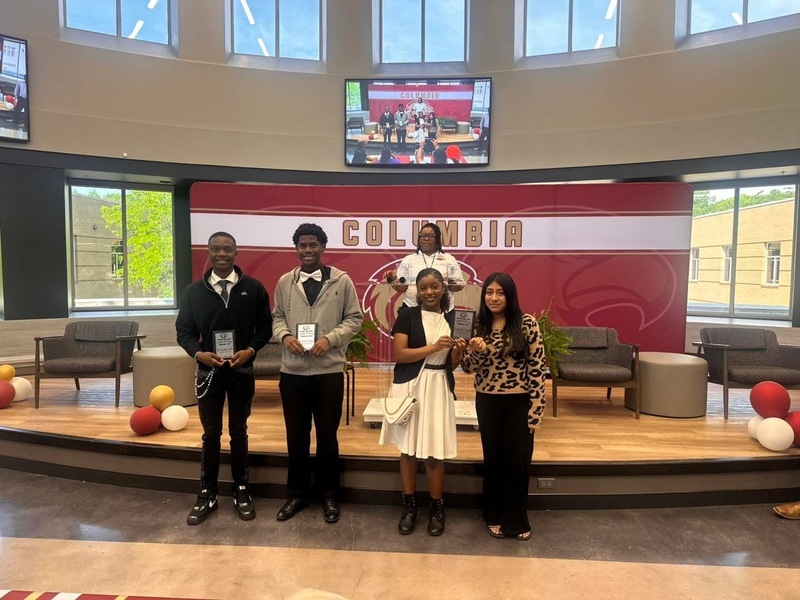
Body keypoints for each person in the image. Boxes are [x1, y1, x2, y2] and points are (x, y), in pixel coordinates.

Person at [176, 231, 273, 526]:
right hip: (209, 372)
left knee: (239, 432)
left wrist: (251, 350)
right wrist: (198, 354)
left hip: (242, 370)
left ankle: (242, 489)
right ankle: (207, 492)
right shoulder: (194, 291)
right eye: (216, 249)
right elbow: (185, 332)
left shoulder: (253, 288)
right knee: (210, 435)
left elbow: (265, 327)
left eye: (227, 249)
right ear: (208, 252)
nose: (221, 253)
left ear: (236, 253)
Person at [272, 223, 363, 524]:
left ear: (323, 247)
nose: (308, 250)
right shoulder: (286, 282)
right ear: (296, 248)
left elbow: (354, 319)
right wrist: (285, 337)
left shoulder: (342, 281)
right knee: (295, 436)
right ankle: (297, 493)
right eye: (302, 245)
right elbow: (277, 318)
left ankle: (329, 495)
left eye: (313, 244)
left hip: (328, 372)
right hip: (293, 373)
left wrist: (331, 339)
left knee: (327, 436)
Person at [379, 268, 466, 536]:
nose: (429, 292)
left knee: (433, 452)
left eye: (435, 286)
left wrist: (458, 352)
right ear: (416, 290)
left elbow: (451, 365)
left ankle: (436, 507)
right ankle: (409, 506)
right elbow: (402, 355)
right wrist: (435, 347)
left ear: (444, 288)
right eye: (424, 287)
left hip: (438, 386)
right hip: (410, 387)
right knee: (407, 451)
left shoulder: (455, 319)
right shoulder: (406, 316)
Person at [460, 272, 546, 541]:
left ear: (510, 296)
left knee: (518, 462)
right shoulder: (477, 326)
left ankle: (517, 520)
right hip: (488, 400)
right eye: (489, 292)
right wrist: (476, 350)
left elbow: (538, 368)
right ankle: (494, 515)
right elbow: (467, 367)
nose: (494, 298)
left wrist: (536, 411)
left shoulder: (527, 324)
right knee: (494, 460)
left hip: (519, 401)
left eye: (500, 293)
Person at [384, 222, 464, 313]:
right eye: (423, 235)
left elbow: (459, 286)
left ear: (437, 238)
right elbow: (402, 288)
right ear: (419, 238)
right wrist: (394, 279)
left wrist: (449, 282)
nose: (426, 239)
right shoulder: (409, 259)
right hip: (412, 308)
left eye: (431, 236)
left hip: (443, 309)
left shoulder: (449, 259)